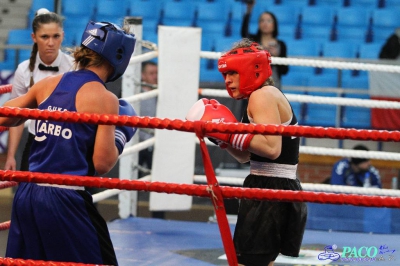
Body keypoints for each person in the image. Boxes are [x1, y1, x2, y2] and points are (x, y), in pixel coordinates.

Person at [0, 21, 137, 265]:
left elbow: (5, 116)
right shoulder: (105, 98)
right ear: (119, 55)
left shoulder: (48, 84)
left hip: (27, 194)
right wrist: (121, 133)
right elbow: (102, 163)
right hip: (65, 197)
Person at [186, 39, 307, 266]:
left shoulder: (263, 95)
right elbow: (246, 156)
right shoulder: (258, 97)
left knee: (248, 262)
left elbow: (272, 148)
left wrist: (230, 134)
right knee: (259, 261)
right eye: (225, 74)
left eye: (233, 72)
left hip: (272, 189)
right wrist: (220, 137)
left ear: (252, 69)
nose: (227, 80)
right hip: (268, 184)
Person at [4, 8, 74, 172]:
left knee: (71, 193)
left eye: (55, 36)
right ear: (34, 38)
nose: (51, 43)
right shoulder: (24, 70)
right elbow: (16, 116)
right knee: (27, 193)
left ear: (62, 36)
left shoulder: (74, 67)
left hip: (69, 142)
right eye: (45, 37)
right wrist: (10, 156)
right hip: (37, 141)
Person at [241, 0, 289, 89]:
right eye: (262, 20)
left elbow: (285, 70)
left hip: (273, 86)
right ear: (258, 24)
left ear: (274, 24)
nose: (265, 23)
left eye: (269, 20)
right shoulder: (253, 41)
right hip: (254, 84)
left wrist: (277, 57)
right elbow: (244, 33)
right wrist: (249, 10)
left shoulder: (281, 45)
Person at [138, 61, 158, 176]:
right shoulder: (133, 94)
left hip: (156, 144)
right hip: (137, 143)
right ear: (143, 75)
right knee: (133, 181)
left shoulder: (161, 93)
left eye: (156, 73)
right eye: (151, 73)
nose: (155, 76)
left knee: (158, 179)